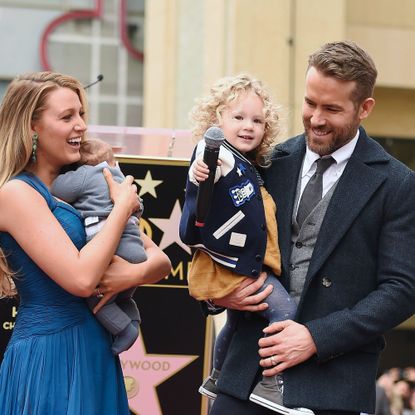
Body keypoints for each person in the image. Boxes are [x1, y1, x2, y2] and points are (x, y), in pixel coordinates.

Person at [203, 40, 415, 415]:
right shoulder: (268, 161)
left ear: (365, 108)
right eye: (310, 103)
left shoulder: (397, 184)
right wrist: (219, 294)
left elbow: (402, 290)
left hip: (333, 387)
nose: (316, 118)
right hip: (244, 378)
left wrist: (316, 338)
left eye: (332, 108)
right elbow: (219, 232)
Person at [0, 71, 171, 414]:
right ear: (31, 127)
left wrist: (129, 275)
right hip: (51, 356)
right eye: (66, 117)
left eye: (81, 114)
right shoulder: (16, 192)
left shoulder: (82, 182)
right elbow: (81, 279)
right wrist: (121, 206)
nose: (80, 125)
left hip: (95, 350)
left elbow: (160, 262)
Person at [180, 74, 309, 413]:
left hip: (240, 263)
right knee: (285, 313)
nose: (248, 126)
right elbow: (203, 165)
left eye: (257, 120)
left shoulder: (250, 165)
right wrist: (199, 169)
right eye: (238, 117)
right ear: (216, 120)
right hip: (238, 265)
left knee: (236, 322)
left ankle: (218, 375)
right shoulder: (219, 154)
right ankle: (273, 384)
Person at [51, 137, 147, 355]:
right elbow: (139, 207)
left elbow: (57, 188)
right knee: (123, 297)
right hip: (135, 249)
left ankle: (124, 329)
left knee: (97, 296)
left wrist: (65, 173)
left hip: (112, 252)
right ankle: (132, 320)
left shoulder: (86, 174)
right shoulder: (122, 182)